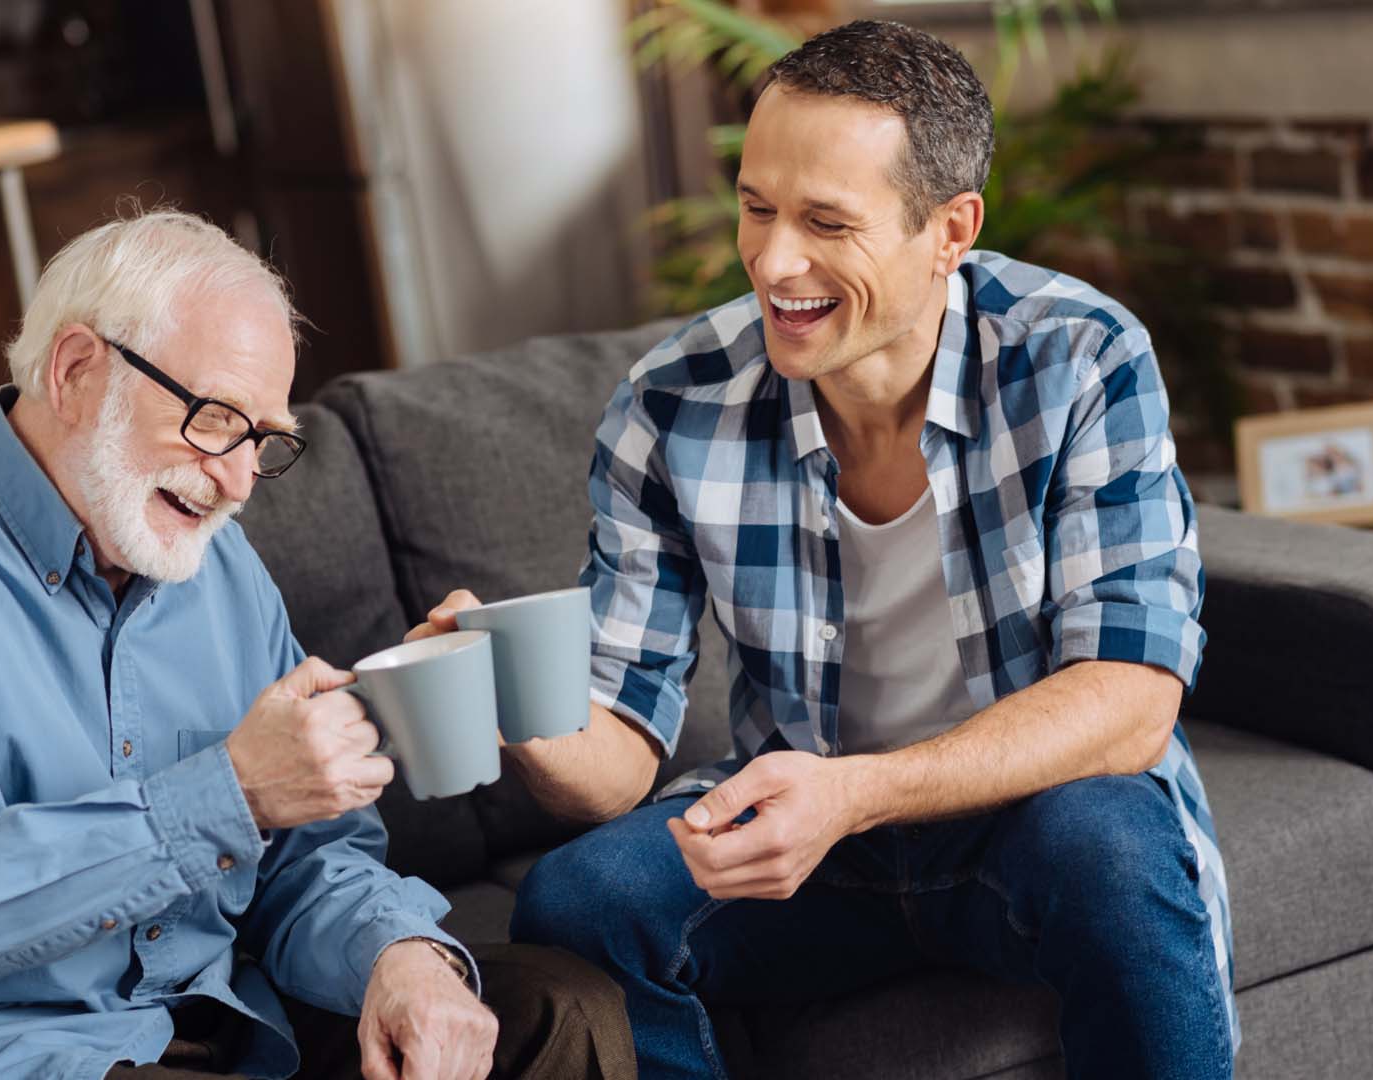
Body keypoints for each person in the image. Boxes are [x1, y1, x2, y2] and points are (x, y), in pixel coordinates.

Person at [412, 20, 1235, 1080]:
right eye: (755, 206)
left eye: (826, 222)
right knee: (580, 897)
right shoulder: (673, 403)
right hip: (807, 858)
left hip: (1023, 826)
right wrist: (509, 703)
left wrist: (856, 792)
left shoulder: (1080, 358)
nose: (772, 259)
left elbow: (1131, 697)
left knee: (1114, 846)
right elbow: (616, 761)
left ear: (949, 230)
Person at [0, 210, 634, 1080]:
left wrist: (395, 956)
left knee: (558, 1016)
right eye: (215, 418)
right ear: (77, 369)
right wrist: (233, 791)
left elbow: (305, 858)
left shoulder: (218, 568)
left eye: (266, 441)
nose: (242, 479)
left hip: (210, 1021)